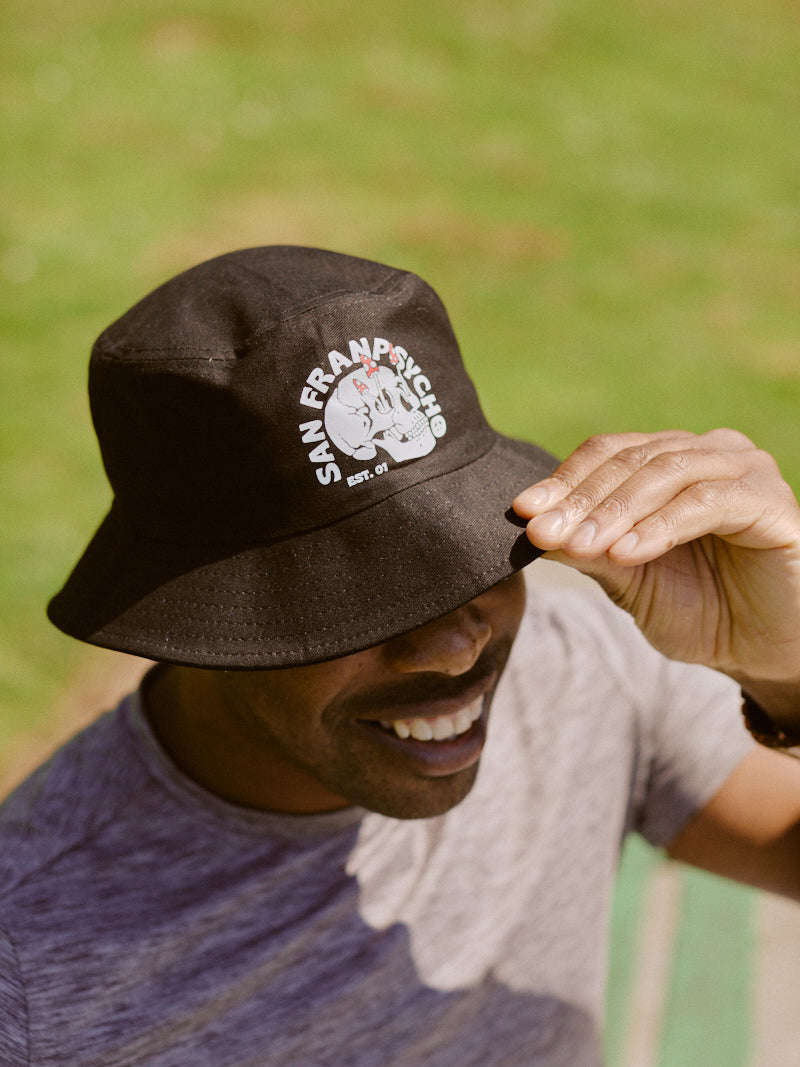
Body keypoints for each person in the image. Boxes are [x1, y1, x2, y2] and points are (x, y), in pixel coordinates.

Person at [2, 245, 799, 1066]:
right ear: (205, 621)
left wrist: (788, 668)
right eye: (361, 603)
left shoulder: (578, 669)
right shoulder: (29, 968)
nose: (458, 648)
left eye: (468, 560)